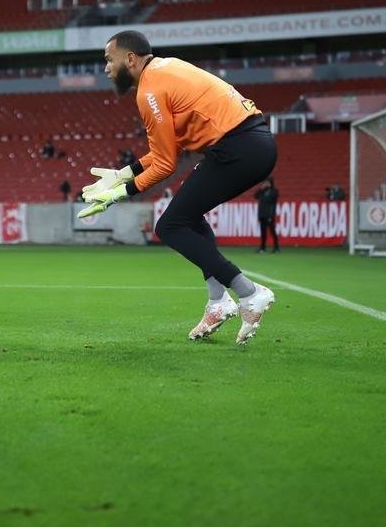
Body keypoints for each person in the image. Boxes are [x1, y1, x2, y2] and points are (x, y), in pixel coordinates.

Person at [79, 31, 278, 345]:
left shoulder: (149, 91)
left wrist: (119, 193)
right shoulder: (166, 68)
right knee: (188, 216)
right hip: (249, 143)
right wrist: (123, 173)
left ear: (130, 59)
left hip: (238, 148)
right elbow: (168, 149)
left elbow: (164, 164)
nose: (106, 68)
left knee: (169, 226)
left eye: (109, 60)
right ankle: (218, 302)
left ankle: (249, 293)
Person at [255, 177, 280, 253]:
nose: (265, 184)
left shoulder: (274, 191)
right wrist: (261, 189)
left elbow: (271, 199)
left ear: (270, 183)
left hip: (269, 214)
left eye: (266, 182)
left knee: (272, 231)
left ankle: (276, 247)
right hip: (262, 214)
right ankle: (263, 247)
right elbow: (255, 196)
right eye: (264, 182)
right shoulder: (262, 191)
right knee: (263, 232)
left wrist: (271, 215)